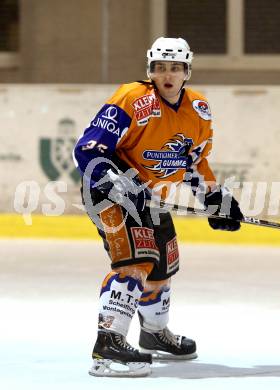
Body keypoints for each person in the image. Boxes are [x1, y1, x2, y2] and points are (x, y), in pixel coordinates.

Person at [73, 37, 244, 378]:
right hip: (107, 192)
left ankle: (153, 334)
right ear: (150, 70)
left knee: (163, 266)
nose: (167, 74)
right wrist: (122, 185)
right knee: (137, 262)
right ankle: (107, 346)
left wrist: (215, 199)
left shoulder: (198, 109)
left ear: (187, 71)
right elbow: (87, 151)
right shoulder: (132, 98)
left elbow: (194, 163)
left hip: (148, 196)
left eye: (175, 68)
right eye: (160, 67)